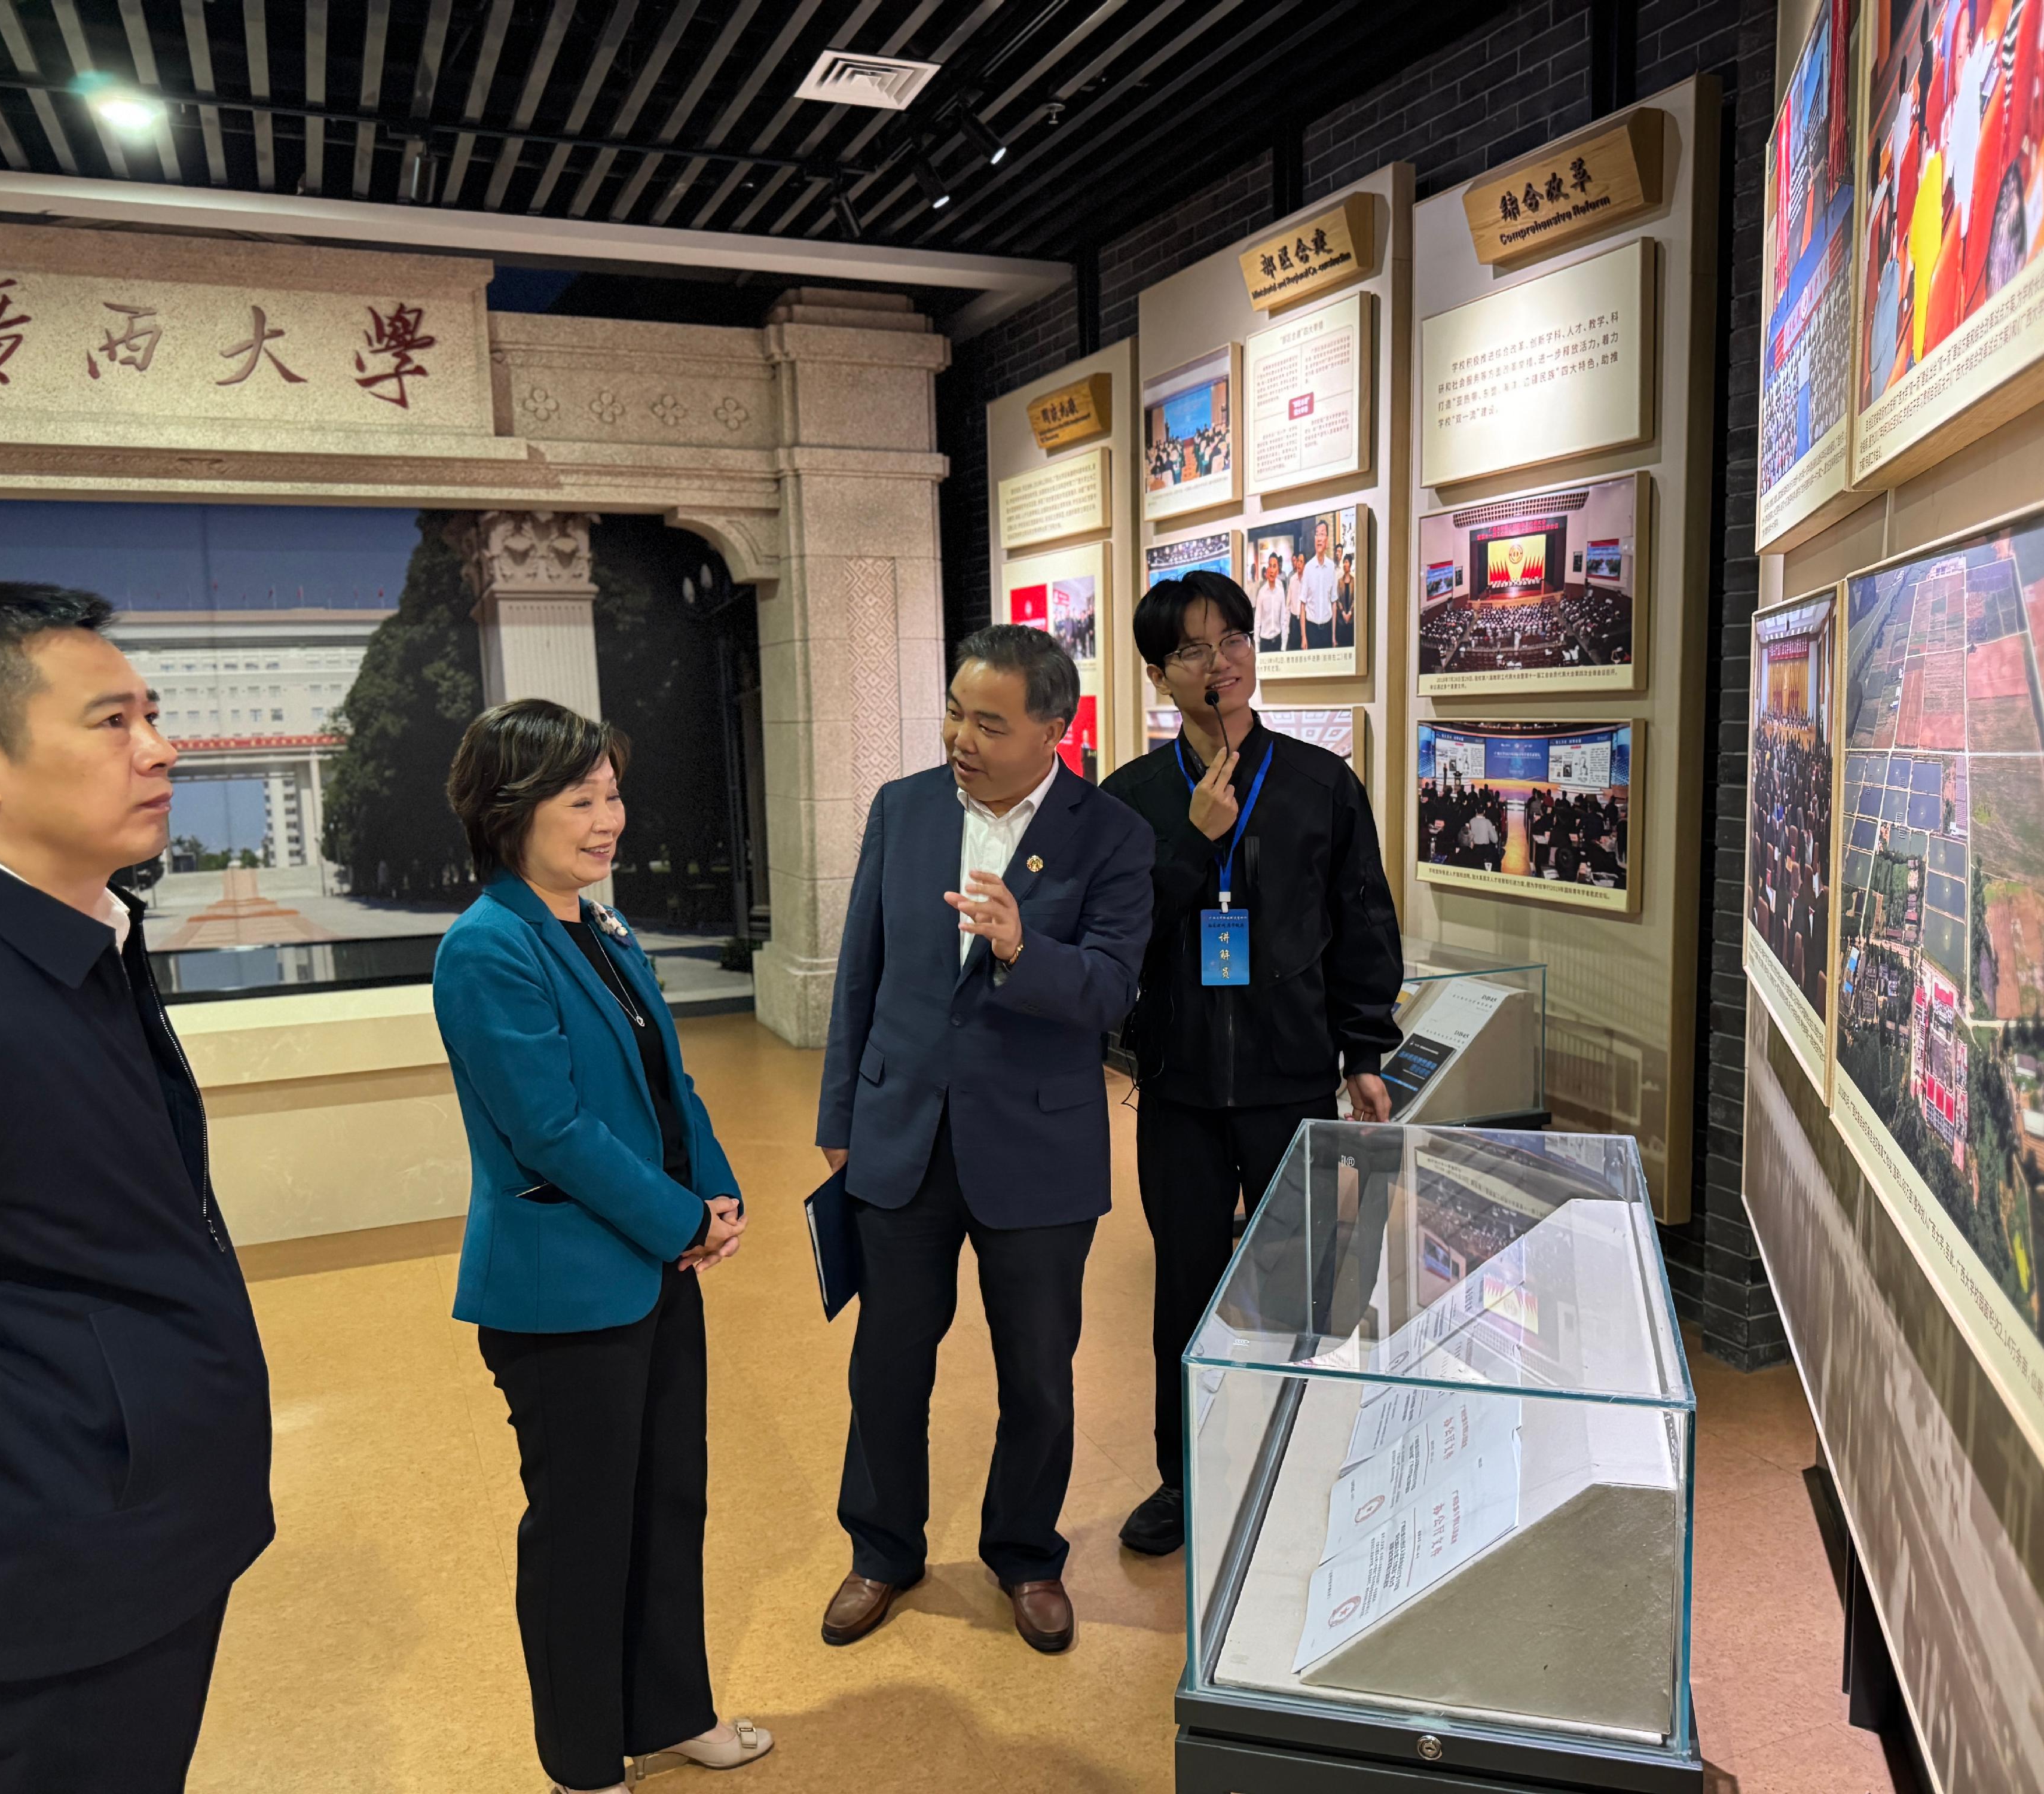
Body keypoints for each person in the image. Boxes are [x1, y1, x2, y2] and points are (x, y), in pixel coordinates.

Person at [0, 584, 273, 1793]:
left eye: (153, 713)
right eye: (111, 721)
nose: (161, 749)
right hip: (44, 1576)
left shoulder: (67, 935)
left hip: (132, 1534)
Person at [434, 699, 769, 1794]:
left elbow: (666, 1082)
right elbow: (553, 1131)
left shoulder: (602, 926)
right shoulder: (489, 947)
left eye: (613, 794)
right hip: (562, 1291)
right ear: (509, 811)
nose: (607, 818)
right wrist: (679, 1222)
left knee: (670, 1500)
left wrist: (713, 1187)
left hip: (652, 1267)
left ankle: (674, 1711)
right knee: (583, 1535)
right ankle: (584, 1761)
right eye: (579, 800)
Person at [815, 624, 1153, 1655]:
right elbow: (859, 975)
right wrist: (840, 1116)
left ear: (1056, 727)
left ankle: (1025, 1555)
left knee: (1041, 1376)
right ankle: (882, 1549)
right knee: (887, 1362)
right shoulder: (905, 809)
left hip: (1038, 1152)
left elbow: (1110, 989)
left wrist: (1019, 945)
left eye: (990, 722)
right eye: (957, 712)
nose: (964, 736)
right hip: (901, 1135)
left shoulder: (1112, 835)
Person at [1099, 571, 1403, 1556]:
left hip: (1288, 1080)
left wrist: (1366, 1050)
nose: (1221, 659)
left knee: (1289, 1286)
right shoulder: (1132, 799)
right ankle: (1185, 1480)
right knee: (1185, 1287)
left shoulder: (1320, 784)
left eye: (1233, 637)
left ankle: (1288, 1465)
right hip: (1180, 1089)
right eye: (1193, 648)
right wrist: (1193, 849)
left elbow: (1361, 923)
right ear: (1160, 676)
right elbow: (1119, 936)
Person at [1296, 519, 1340, 651]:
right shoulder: (1308, 568)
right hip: (1312, 631)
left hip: (1327, 630)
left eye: (1322, 534)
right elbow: (1303, 605)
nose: (1319, 538)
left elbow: (1334, 602)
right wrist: (1304, 637)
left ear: (1327, 540)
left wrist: (1333, 635)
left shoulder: (1331, 567)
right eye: (1317, 534)